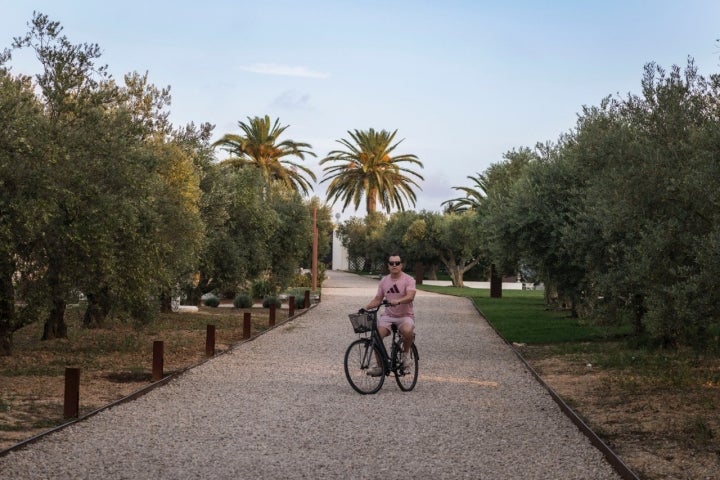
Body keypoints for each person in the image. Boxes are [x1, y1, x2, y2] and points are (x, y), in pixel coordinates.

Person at [362, 253, 416, 376]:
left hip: (405, 315)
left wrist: (398, 300)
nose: (394, 265)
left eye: (397, 263)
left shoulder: (409, 280)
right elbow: (378, 299)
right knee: (376, 336)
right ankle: (380, 365)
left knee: (408, 331)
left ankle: (405, 356)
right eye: (391, 263)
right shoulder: (384, 281)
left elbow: (410, 296)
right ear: (388, 266)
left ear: (401, 265)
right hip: (388, 316)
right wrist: (365, 307)